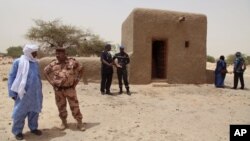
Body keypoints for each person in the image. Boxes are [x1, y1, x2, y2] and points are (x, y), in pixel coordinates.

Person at [44, 48, 85, 131]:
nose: (57, 55)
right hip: (58, 90)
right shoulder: (53, 63)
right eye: (56, 53)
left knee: (75, 106)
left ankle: (79, 122)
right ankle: (64, 122)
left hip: (70, 89)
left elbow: (81, 69)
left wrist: (76, 82)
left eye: (59, 53)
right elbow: (45, 72)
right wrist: (51, 82)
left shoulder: (72, 62)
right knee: (61, 107)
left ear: (65, 54)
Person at [8, 44, 43, 140]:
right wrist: (12, 93)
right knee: (20, 112)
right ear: (28, 53)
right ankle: (17, 131)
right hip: (22, 93)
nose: (36, 54)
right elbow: (11, 77)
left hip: (35, 92)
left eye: (36, 52)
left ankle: (33, 128)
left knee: (34, 111)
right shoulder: (18, 62)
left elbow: (37, 77)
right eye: (34, 52)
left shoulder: (36, 63)